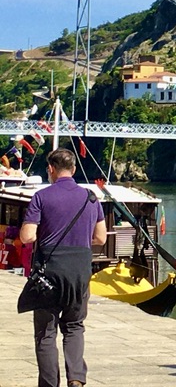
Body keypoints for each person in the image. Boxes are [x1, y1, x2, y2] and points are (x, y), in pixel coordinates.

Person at [19, 148, 107, 387]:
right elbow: (101, 238)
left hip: (50, 272)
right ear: (74, 169)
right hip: (79, 271)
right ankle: (76, 378)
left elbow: (27, 236)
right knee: (75, 326)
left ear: (51, 169)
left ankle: (49, 384)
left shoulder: (42, 197)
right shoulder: (90, 197)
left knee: (46, 332)